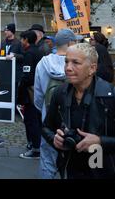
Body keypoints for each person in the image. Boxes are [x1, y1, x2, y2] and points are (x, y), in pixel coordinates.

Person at [42, 43, 115, 179]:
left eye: (76, 63)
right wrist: (55, 140)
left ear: (92, 68)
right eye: (66, 61)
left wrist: (100, 141)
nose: (68, 68)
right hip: (72, 169)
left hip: (108, 171)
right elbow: (46, 128)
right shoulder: (60, 93)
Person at [34, 29, 78, 178]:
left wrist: (47, 111)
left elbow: (38, 96)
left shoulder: (43, 63)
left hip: (50, 121)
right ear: (71, 43)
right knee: (75, 161)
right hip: (75, 121)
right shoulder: (79, 64)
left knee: (47, 160)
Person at [18, 30, 44, 159]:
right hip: (38, 91)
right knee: (36, 120)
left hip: (30, 93)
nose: (21, 42)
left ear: (26, 40)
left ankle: (35, 148)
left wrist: (19, 88)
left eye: (22, 39)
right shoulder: (39, 51)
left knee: (31, 120)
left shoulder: (29, 54)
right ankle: (35, 145)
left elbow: (27, 76)